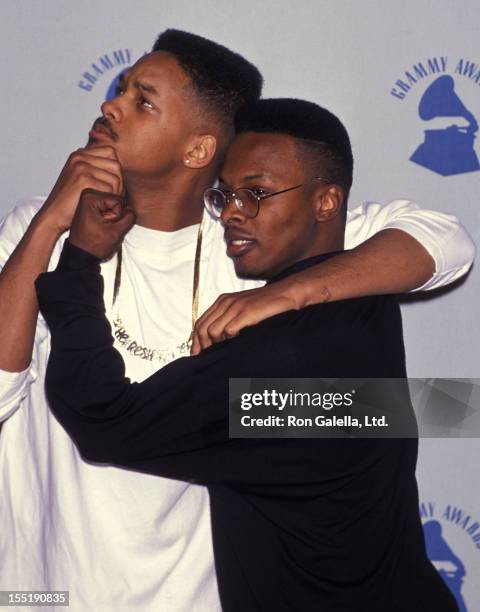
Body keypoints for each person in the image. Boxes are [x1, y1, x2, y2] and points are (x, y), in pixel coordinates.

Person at [0, 29, 472, 612]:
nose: (109, 105)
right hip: (49, 590)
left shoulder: (252, 245)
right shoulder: (40, 229)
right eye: (121, 89)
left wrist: (286, 295)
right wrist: (52, 223)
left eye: (142, 99)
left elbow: (447, 242)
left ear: (197, 148)